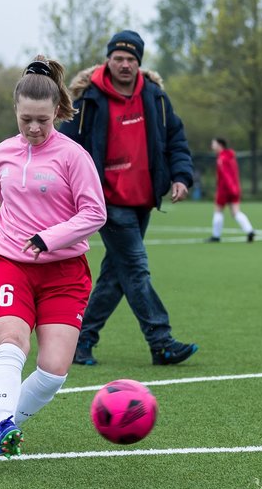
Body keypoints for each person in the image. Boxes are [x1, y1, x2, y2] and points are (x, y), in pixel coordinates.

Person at [0, 57, 107, 457]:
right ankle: (3, 423)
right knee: (12, 342)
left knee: (52, 371)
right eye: (26, 120)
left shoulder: (73, 156)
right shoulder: (2, 153)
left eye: (42, 121)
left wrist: (48, 239)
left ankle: (5, 417)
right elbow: (8, 205)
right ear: (15, 111)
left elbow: (95, 213)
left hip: (65, 272)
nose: (34, 128)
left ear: (57, 113)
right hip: (10, 264)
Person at [58, 30, 199, 367]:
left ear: (139, 63)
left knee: (117, 275)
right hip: (105, 200)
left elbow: (175, 139)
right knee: (136, 269)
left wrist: (181, 176)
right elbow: (66, 147)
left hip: (143, 200)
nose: (124, 64)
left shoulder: (155, 97)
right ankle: (161, 341)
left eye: (131, 59)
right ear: (108, 59)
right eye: (118, 58)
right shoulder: (88, 99)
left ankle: (79, 341)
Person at [208, 137, 255, 243]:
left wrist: (225, 189)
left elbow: (225, 175)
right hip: (235, 187)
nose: (212, 146)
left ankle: (216, 236)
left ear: (220, 145)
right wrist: (234, 188)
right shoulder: (231, 156)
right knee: (236, 212)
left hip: (224, 188)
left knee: (218, 210)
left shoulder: (222, 158)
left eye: (213, 144)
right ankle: (249, 230)